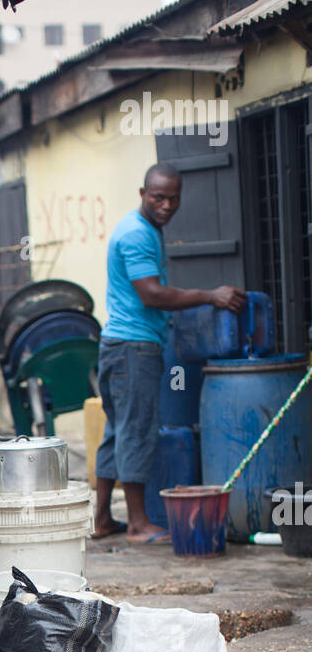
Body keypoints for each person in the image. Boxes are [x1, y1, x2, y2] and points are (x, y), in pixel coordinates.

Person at [94, 163, 246, 544]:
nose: (166, 204)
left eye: (173, 198)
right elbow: (152, 294)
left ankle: (101, 519)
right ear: (142, 193)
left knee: (117, 432)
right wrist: (211, 296)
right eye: (158, 196)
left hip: (118, 344)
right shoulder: (137, 235)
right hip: (134, 348)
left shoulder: (144, 229)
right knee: (137, 432)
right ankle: (138, 524)